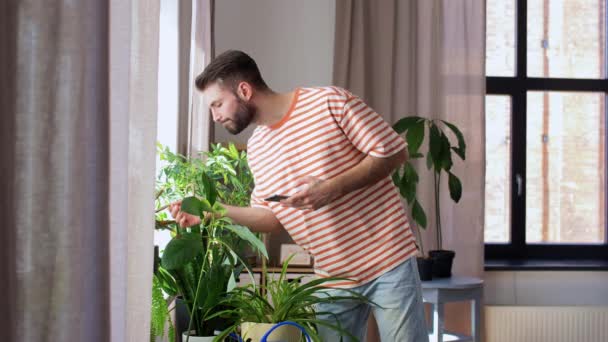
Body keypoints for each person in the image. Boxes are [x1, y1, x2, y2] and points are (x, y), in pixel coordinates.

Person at [170, 50, 428, 342]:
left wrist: (332, 188)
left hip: (388, 260)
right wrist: (211, 212)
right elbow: (271, 219)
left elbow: (394, 151)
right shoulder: (258, 149)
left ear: (244, 90)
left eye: (217, 104)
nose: (215, 116)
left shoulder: (330, 102)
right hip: (332, 277)